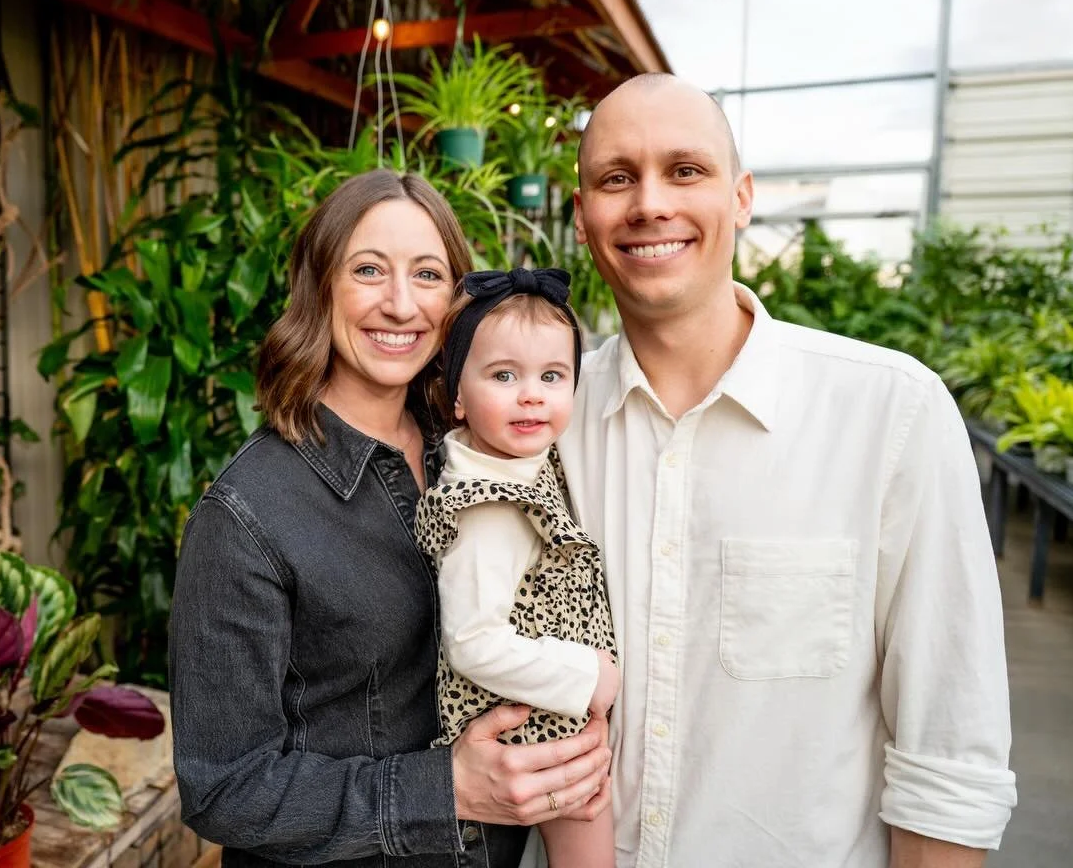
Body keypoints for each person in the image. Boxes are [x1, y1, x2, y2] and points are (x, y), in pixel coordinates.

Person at [556, 72, 1017, 867]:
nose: (649, 204)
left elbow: (949, 755)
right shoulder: (542, 426)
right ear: (582, 217)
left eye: (686, 171)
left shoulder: (889, 414)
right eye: (616, 178)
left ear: (741, 197)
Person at [169, 169, 612, 868]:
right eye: (368, 270)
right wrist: (446, 789)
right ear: (321, 288)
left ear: (459, 306)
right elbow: (223, 787)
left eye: (428, 274)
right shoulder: (247, 514)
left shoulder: (483, 452)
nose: (401, 304)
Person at [416, 267, 620, 868]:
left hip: (552, 713)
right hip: (538, 734)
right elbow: (473, 643)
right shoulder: (487, 508)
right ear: (457, 394)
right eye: (504, 376)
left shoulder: (516, 459)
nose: (531, 394)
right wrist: (591, 678)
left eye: (552, 376)